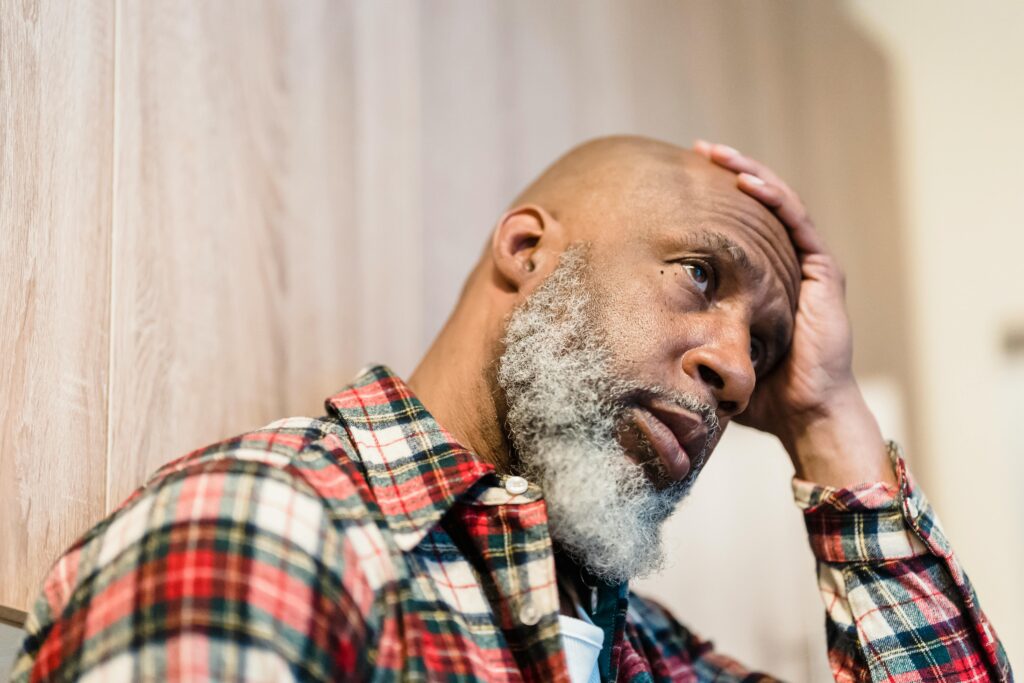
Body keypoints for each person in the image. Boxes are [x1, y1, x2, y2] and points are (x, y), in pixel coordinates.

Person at [11, 137, 1011, 682]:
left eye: (762, 345)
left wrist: (827, 415)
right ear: (526, 251)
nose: (737, 372)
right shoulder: (265, 532)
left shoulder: (650, 655)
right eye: (696, 273)